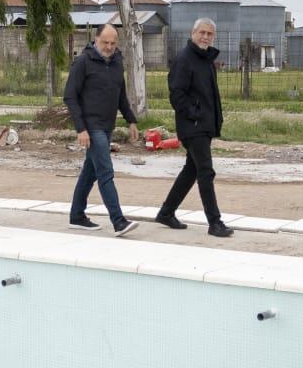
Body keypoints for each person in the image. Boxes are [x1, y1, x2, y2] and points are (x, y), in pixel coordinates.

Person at [156, 18, 232, 237]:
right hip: (194, 126)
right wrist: (195, 115)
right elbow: (176, 94)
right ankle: (215, 223)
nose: (205, 37)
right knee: (206, 171)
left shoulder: (206, 59)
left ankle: (166, 212)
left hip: (204, 125)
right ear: (193, 33)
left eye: (209, 34)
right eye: (202, 32)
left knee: (191, 170)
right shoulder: (185, 59)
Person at [62, 25, 140, 236]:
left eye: (113, 43)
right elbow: (70, 96)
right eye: (105, 42)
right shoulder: (83, 62)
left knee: (90, 172)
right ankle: (118, 221)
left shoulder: (116, 62)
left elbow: (120, 95)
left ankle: (77, 215)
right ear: (96, 39)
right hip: (91, 127)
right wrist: (81, 129)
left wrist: (130, 121)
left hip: (107, 126)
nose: (109, 47)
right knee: (105, 171)